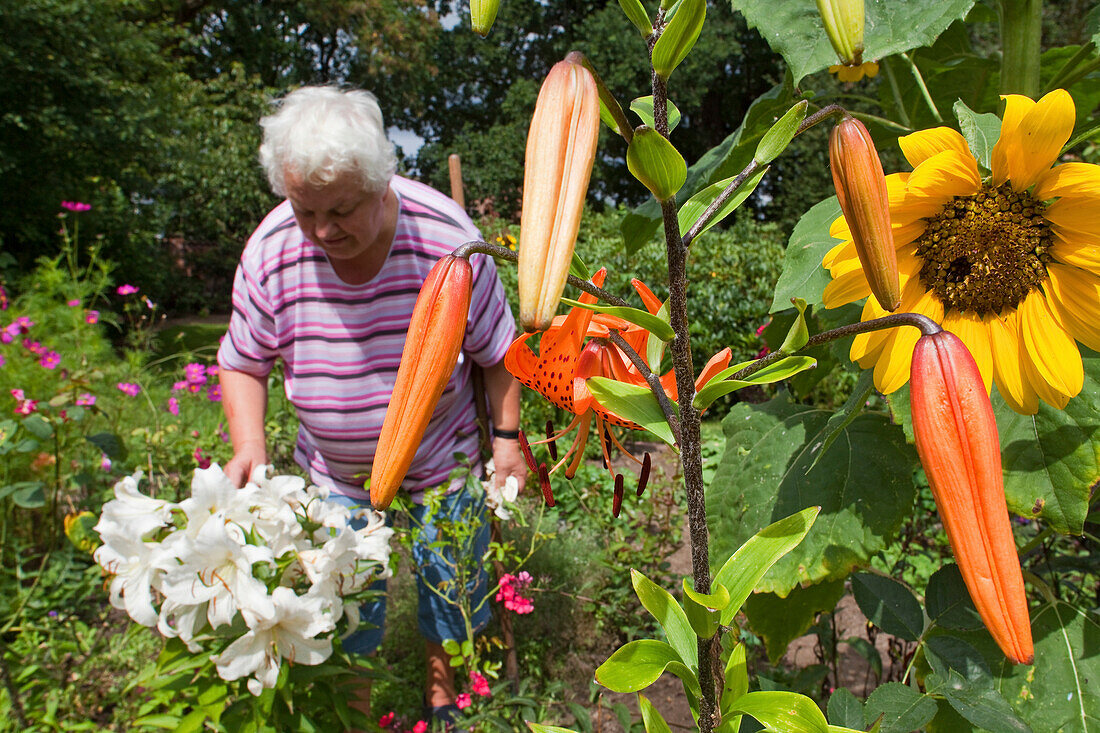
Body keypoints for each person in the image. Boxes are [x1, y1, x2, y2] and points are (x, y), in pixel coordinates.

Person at [216, 85, 526, 724]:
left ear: (384, 181)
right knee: (345, 607)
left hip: (443, 463)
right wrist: (248, 445)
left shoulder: (449, 242)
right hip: (334, 477)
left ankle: (443, 698)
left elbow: (500, 353)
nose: (324, 230)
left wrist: (506, 440)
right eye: (306, 210)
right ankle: (354, 715)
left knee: (455, 589)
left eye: (343, 209)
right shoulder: (272, 250)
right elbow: (242, 361)